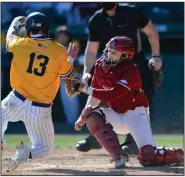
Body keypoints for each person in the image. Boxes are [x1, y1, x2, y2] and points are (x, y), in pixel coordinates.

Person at [74, 36, 183, 168]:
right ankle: (118, 157)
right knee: (91, 114)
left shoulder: (131, 71)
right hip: (115, 114)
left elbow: (112, 94)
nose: (108, 54)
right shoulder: (100, 65)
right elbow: (95, 96)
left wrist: (84, 88)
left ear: (125, 56)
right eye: (108, 50)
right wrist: (82, 116)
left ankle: (177, 154)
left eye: (114, 52)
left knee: (148, 158)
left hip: (136, 115)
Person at [76, 2, 163, 154]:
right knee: (99, 96)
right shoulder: (96, 19)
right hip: (109, 65)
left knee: (139, 98)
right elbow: (91, 51)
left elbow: (152, 32)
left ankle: (133, 142)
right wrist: (86, 72)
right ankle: (97, 137)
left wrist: (156, 57)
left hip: (134, 63)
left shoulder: (131, 11)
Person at [2, 12, 79, 171]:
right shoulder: (58, 50)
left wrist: (16, 22)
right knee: (44, 149)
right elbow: (67, 75)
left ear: (29, 29)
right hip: (39, 109)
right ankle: (24, 154)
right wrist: (70, 58)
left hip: (16, 99)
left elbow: (9, 36)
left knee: (1, 114)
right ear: (47, 30)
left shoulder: (20, 43)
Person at [55, 25, 80, 124]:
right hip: (59, 76)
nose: (63, 37)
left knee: (72, 100)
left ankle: (74, 122)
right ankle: (70, 122)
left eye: (65, 34)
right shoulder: (53, 46)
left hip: (72, 75)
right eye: (60, 34)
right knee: (65, 101)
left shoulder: (74, 44)